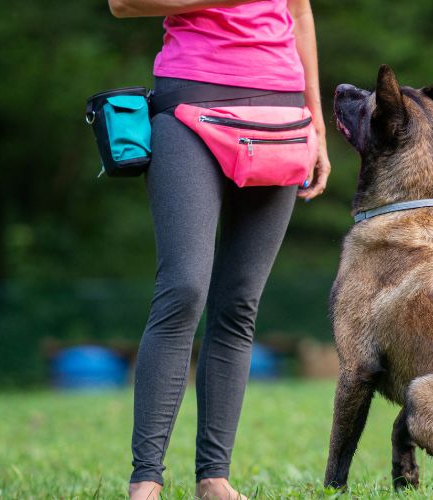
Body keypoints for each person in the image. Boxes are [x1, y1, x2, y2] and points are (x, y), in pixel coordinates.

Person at [106, 1, 331, 498]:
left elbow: (300, 11)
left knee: (239, 303)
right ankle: (146, 478)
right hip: (190, 102)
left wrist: (315, 121)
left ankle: (214, 477)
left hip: (280, 111)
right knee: (184, 289)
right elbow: (122, 4)